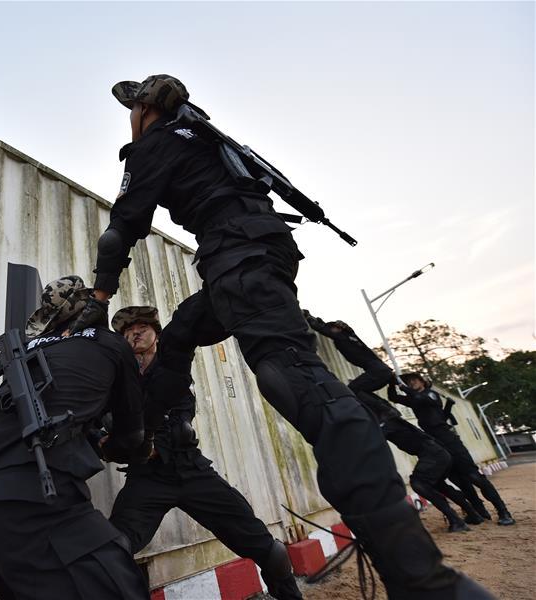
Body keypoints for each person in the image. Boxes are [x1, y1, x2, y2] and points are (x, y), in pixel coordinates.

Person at [67, 74, 493, 598]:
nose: (130, 116)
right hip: (247, 259)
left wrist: (101, 295)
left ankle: (426, 583)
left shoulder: (155, 141)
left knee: (296, 383)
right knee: (180, 334)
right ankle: (145, 431)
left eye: (133, 107)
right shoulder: (206, 138)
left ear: (146, 109)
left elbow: (123, 226)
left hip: (239, 260)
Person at [0, 276, 151, 600]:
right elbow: (131, 437)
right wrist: (109, 446)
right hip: (30, 503)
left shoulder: (28, 348)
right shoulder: (112, 345)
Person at [106, 306, 302, 600]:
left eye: (141, 328)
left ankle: (289, 596)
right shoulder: (120, 377)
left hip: (192, 470)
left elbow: (184, 407)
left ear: (156, 333)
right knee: (112, 548)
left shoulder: (173, 366)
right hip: (147, 477)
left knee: (265, 546)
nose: (134, 333)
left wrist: (177, 429)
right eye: (127, 331)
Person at [306, 313, 483, 532]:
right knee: (438, 485)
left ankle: (459, 519)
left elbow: (374, 411)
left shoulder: (387, 421)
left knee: (420, 484)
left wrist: (314, 322)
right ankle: (473, 513)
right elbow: (388, 402)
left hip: (434, 453)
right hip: (435, 452)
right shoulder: (389, 419)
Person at [389, 372, 515, 527]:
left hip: (449, 439)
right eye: (408, 382)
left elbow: (420, 398)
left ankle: (503, 511)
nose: (411, 383)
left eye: (414, 380)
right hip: (436, 444)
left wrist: (402, 386)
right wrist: (391, 382)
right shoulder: (414, 399)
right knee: (459, 480)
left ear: (422, 381)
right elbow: (393, 397)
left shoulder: (431, 395)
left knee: (474, 476)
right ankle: (479, 511)